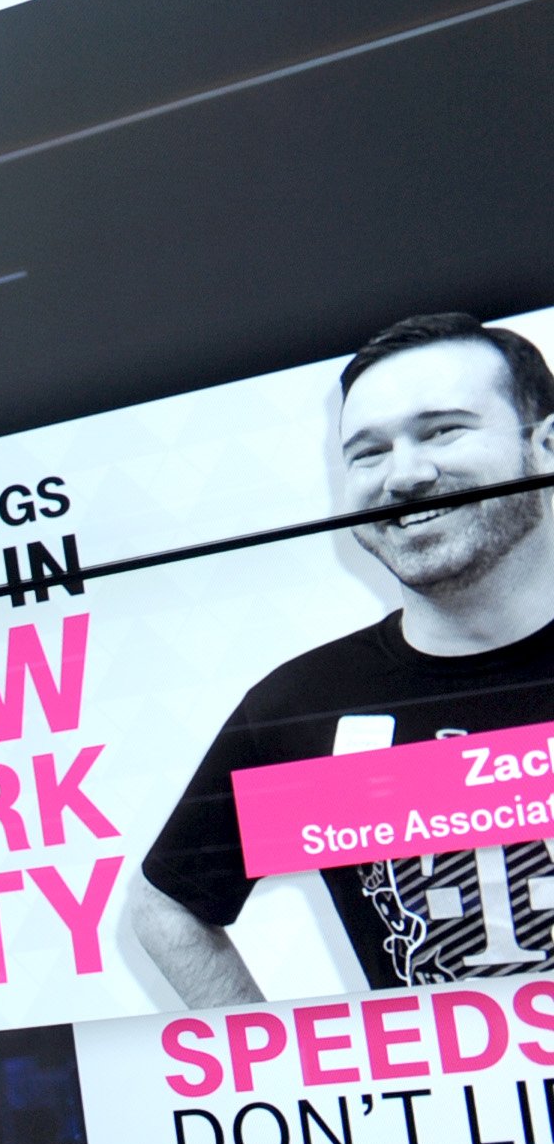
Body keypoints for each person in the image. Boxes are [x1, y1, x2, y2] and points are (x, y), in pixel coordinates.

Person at [134, 314, 554, 1005]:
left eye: (444, 429)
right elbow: (169, 907)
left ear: (544, 446)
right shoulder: (308, 708)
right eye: (367, 452)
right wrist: (287, 1071)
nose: (407, 474)